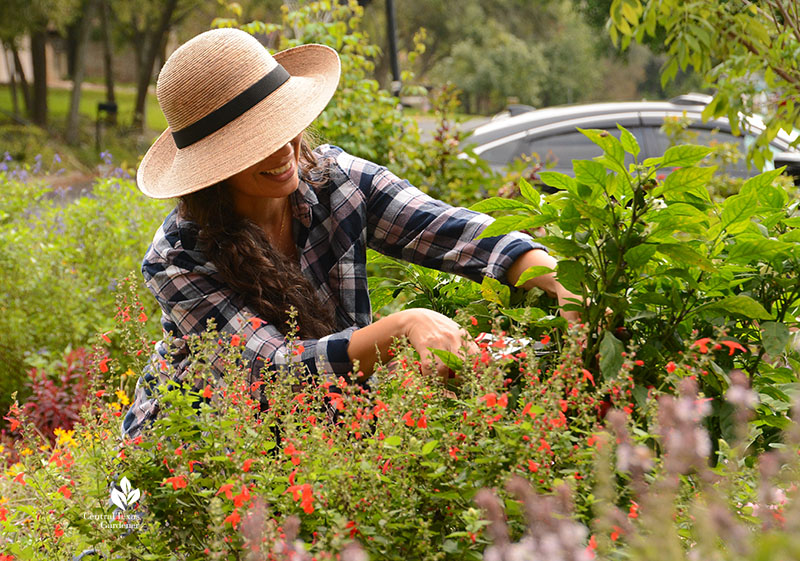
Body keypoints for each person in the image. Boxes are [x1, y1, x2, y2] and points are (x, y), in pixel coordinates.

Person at [121, 28, 580, 441]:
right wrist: (402, 326)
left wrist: (560, 280)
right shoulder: (178, 256)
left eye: (283, 124)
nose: (285, 150)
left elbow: (454, 232)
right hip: (196, 453)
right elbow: (269, 373)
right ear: (213, 166)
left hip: (323, 429)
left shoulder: (334, 181)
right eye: (256, 141)